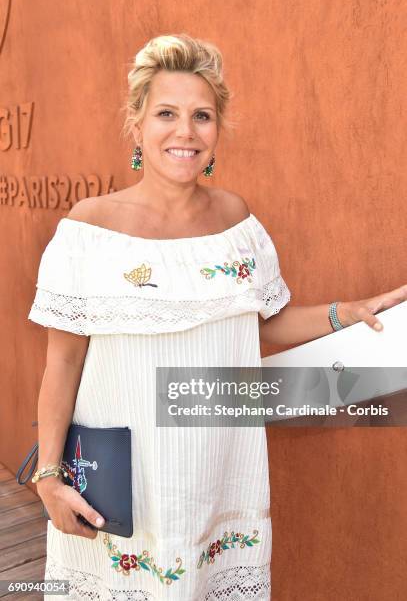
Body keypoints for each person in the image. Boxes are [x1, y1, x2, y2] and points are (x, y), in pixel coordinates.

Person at [28, 34, 406, 601]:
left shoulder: (236, 221)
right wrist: (47, 477)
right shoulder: (89, 229)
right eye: (166, 114)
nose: (185, 132)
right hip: (121, 483)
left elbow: (260, 322)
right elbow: (62, 360)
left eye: (201, 116)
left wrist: (345, 313)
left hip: (215, 472)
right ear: (136, 126)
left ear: (217, 131)